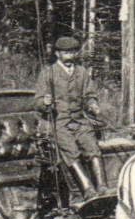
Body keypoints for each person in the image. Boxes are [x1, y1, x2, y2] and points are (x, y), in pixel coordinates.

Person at [33, 35, 110, 196]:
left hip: (80, 121)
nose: (71, 56)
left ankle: (102, 187)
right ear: (57, 54)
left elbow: (89, 95)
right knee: (71, 151)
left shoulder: (82, 72)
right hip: (58, 123)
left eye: (73, 52)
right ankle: (87, 189)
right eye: (66, 53)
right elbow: (37, 102)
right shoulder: (48, 73)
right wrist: (45, 103)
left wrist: (92, 105)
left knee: (93, 148)